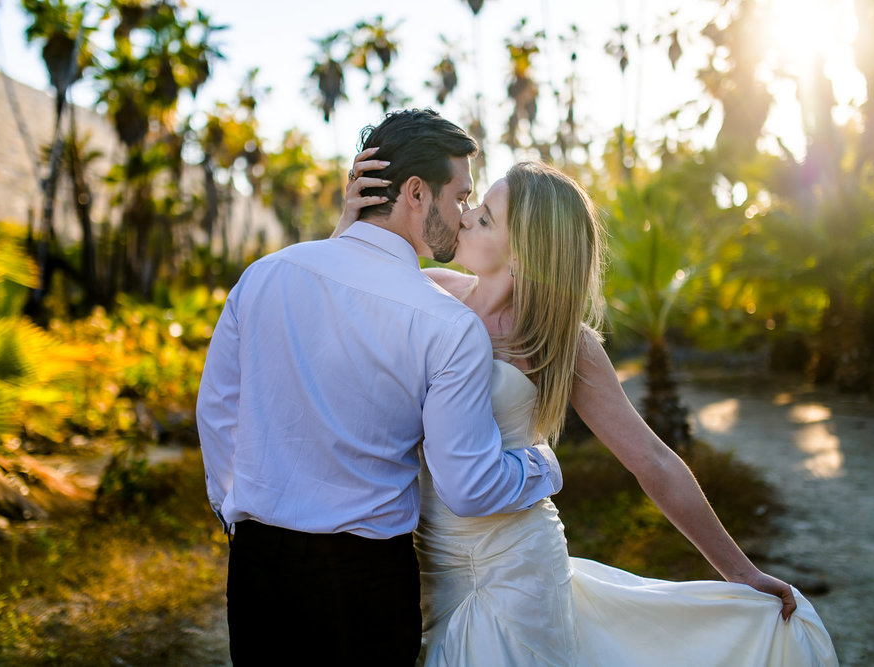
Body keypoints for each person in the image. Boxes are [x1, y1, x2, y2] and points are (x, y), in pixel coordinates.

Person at [340, 156, 839, 666]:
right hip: (426, 560)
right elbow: (337, 307)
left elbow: (654, 461)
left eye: (485, 218)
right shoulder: (432, 291)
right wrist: (346, 229)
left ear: (525, 254)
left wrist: (741, 572)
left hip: (515, 572)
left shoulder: (564, 345)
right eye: (474, 206)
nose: (464, 216)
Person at [195, 109, 564, 667]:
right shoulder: (445, 323)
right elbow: (468, 486)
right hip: (365, 582)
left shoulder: (266, 275)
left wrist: (236, 515)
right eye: (460, 196)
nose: (464, 215)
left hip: (256, 569)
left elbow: (218, 413)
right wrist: (544, 465)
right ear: (416, 192)